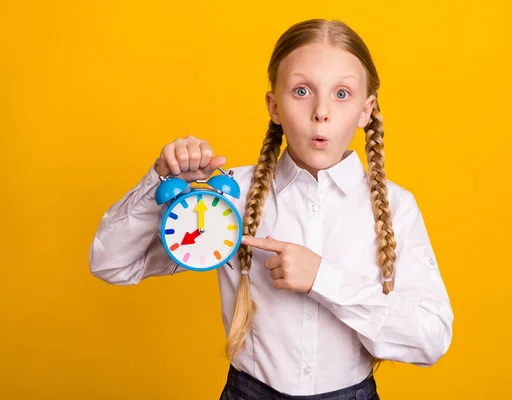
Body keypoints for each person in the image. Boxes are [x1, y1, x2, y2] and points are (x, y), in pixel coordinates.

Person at [89, 18, 454, 400]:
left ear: (366, 111)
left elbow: (430, 340)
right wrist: (160, 182)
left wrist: (322, 279)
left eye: (342, 94)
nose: (321, 112)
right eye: (301, 90)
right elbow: (113, 263)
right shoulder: (228, 197)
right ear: (274, 105)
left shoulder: (396, 208)